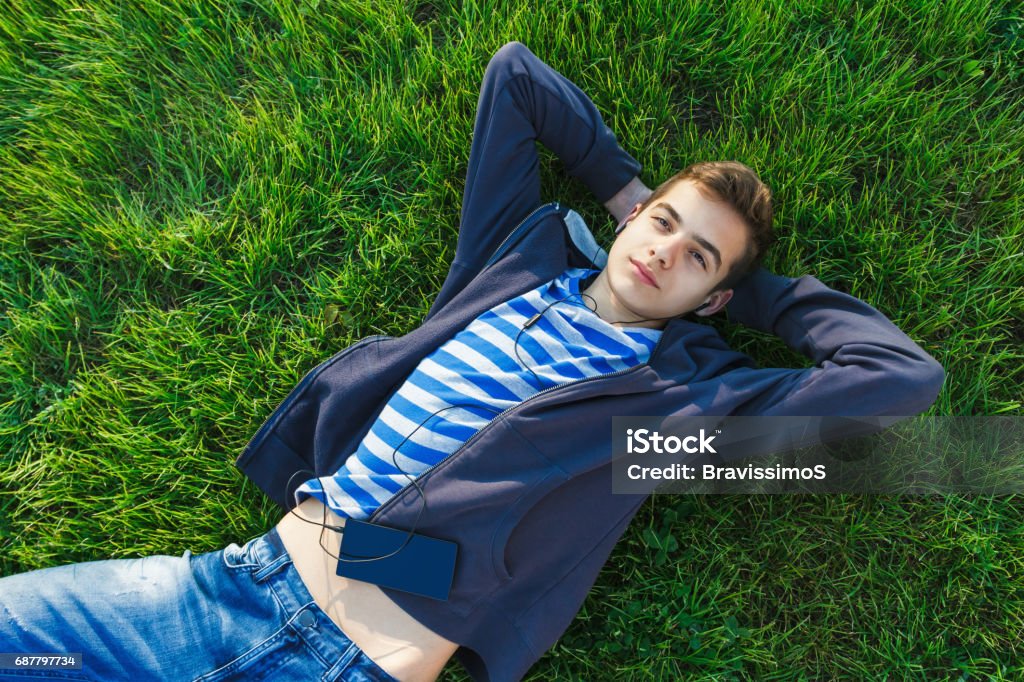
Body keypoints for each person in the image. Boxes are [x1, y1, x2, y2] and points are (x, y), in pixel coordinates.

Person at [0, 42, 943, 682]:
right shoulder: (508, 263)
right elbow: (517, 80)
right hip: (233, 583)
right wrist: (623, 189)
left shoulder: (678, 409)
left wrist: (756, 290)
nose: (662, 248)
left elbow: (903, 381)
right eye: (664, 221)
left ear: (713, 297)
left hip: (341, 660)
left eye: (697, 254)